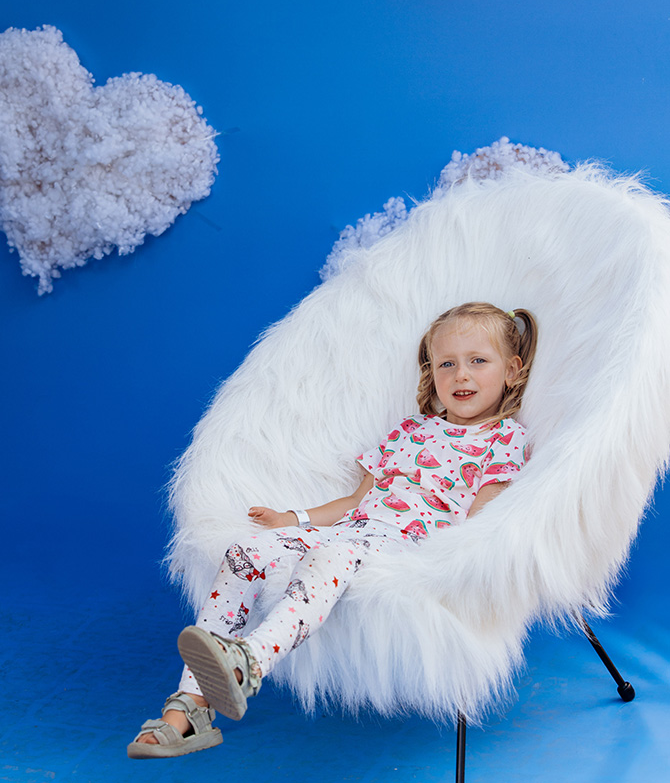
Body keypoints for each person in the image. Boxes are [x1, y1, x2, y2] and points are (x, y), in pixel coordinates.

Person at [128, 301, 538, 758]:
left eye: (478, 361)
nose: (461, 375)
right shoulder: (410, 431)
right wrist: (293, 519)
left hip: (407, 550)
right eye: (447, 364)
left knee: (332, 557)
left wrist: (441, 566)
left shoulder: (504, 439)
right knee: (246, 552)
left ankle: (252, 660)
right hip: (353, 529)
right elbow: (355, 501)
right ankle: (189, 709)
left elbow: (482, 525)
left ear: (511, 370)